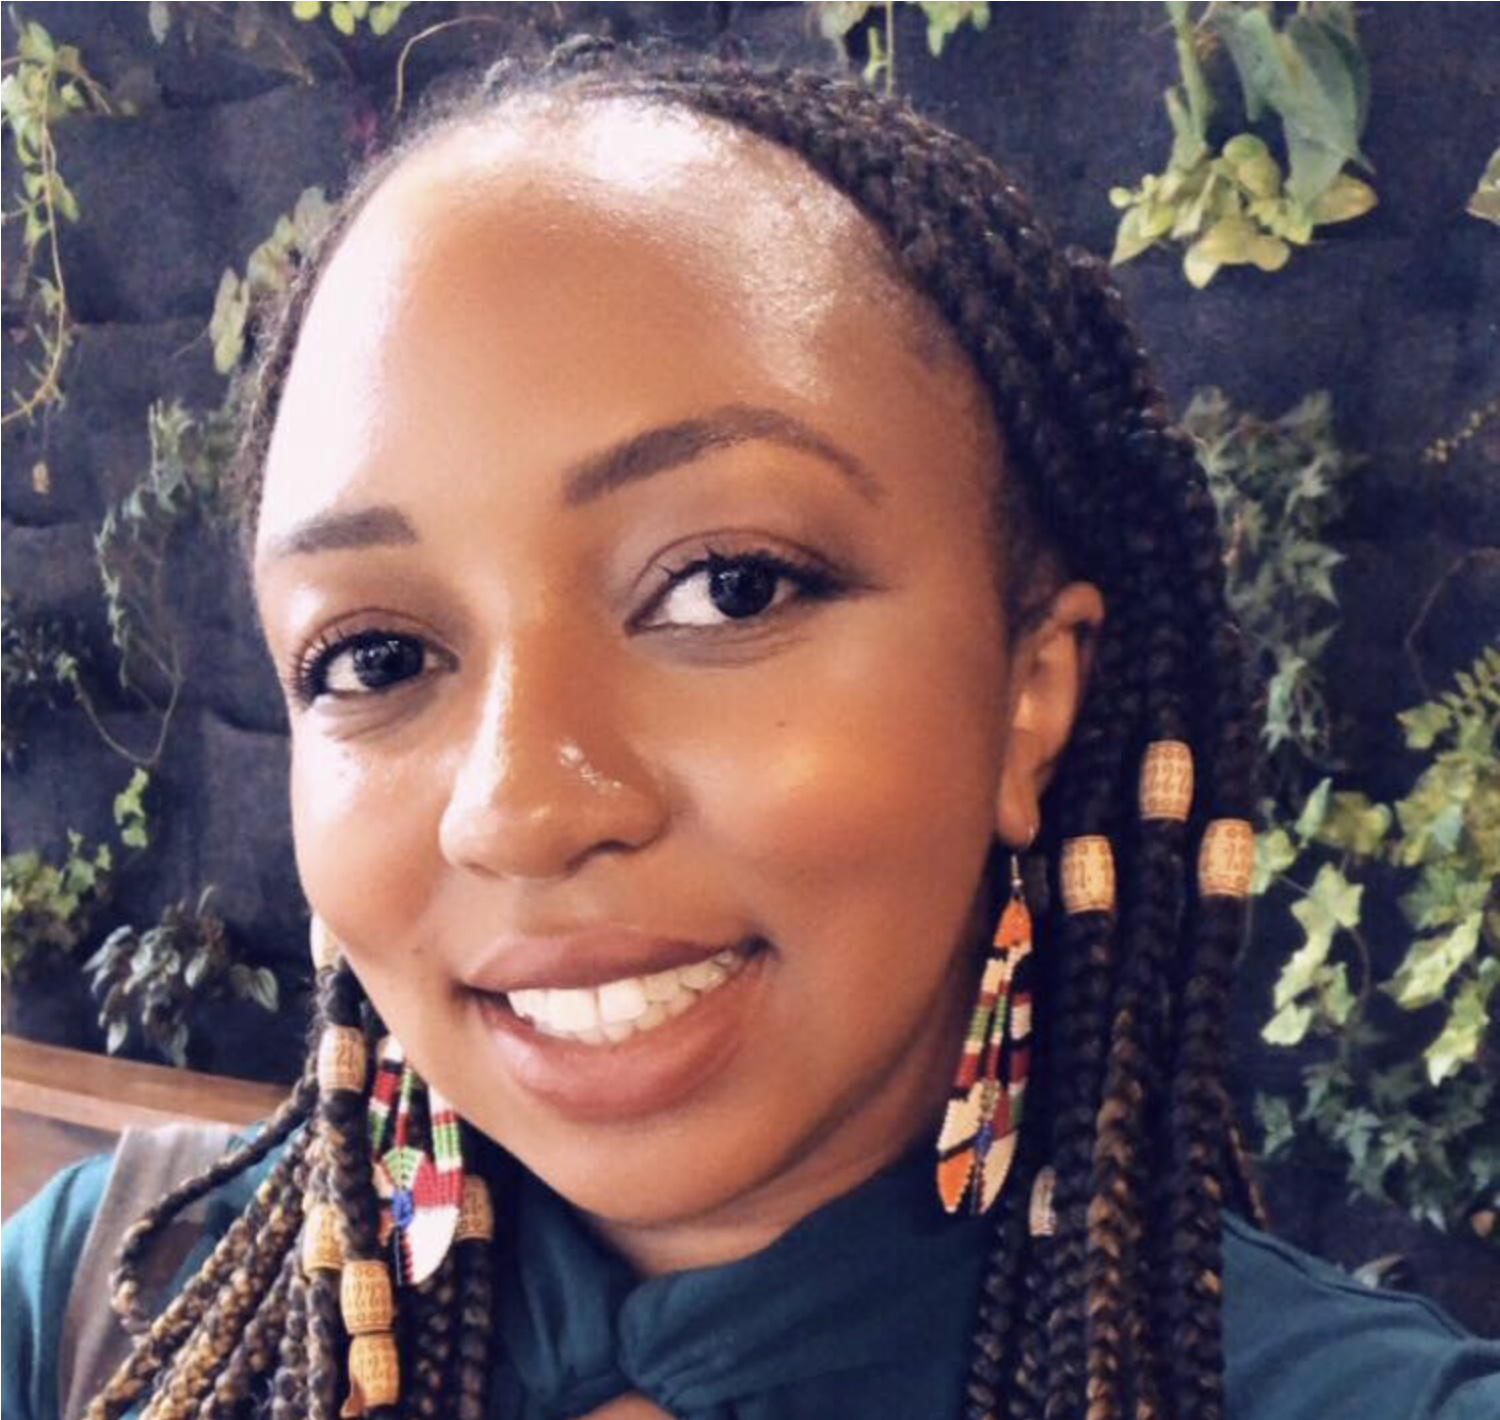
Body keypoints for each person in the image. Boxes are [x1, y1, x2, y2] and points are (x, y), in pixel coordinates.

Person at [4, 37, 1498, 1420]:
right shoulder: (101, 1308)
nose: (521, 807)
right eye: (375, 655)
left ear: (1031, 695)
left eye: (728, 587)